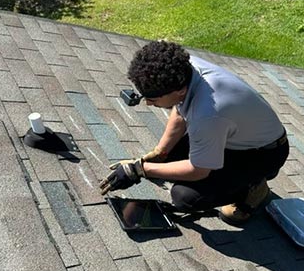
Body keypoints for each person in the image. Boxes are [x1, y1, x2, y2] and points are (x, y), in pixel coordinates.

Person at [100, 40, 289, 224]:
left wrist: (140, 170)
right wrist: (159, 153)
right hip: (232, 135)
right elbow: (180, 108)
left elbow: (198, 170)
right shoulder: (183, 67)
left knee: (185, 197)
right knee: (166, 161)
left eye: (153, 99)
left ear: (180, 90)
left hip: (263, 154)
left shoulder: (207, 114)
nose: (148, 103)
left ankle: (252, 188)